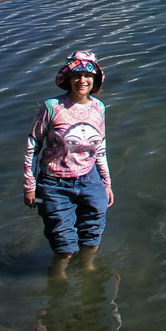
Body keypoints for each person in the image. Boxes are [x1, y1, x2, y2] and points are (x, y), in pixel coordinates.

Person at [24, 50, 114, 278]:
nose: (82, 80)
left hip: (90, 179)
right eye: (76, 75)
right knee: (62, 244)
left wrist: (106, 182)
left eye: (87, 75)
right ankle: (59, 278)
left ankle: (88, 269)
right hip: (53, 184)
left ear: (95, 80)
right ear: (68, 79)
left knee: (93, 234)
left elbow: (100, 147)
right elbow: (33, 144)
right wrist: (30, 185)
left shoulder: (99, 108)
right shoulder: (52, 107)